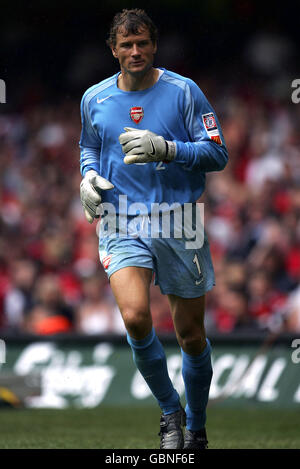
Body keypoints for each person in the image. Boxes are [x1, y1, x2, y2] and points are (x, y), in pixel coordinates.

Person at [79, 8, 228, 449]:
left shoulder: (185, 91)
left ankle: (197, 425)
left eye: (142, 42)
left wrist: (167, 148)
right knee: (135, 316)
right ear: (113, 50)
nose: (135, 51)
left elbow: (217, 153)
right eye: (126, 44)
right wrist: (86, 177)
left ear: (154, 45)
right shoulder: (95, 98)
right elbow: (90, 144)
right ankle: (170, 413)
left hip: (179, 218)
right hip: (121, 218)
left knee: (191, 335)